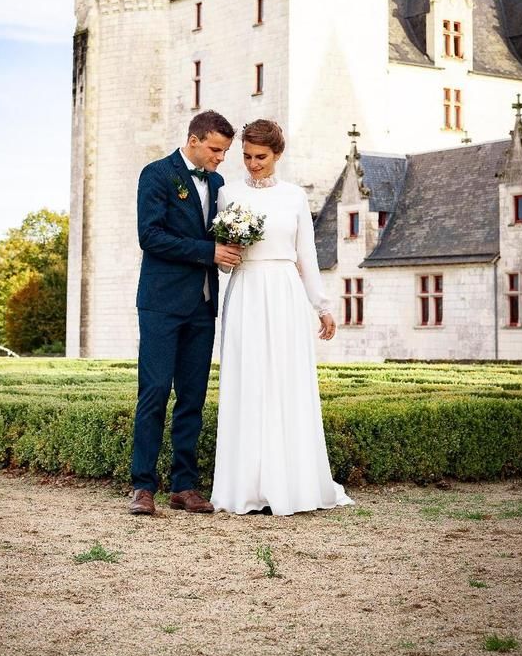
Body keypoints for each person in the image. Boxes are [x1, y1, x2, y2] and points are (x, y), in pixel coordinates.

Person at [211, 119, 354, 516]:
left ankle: (293, 483)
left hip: (285, 292)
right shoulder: (227, 194)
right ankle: (248, 487)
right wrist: (231, 251)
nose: (253, 164)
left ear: (277, 155)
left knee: (286, 383)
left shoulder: (293, 197)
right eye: (247, 156)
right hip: (246, 292)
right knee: (248, 381)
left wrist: (322, 306)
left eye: (261, 157)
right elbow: (224, 265)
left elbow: (306, 256)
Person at [130, 110, 241, 515]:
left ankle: (184, 486)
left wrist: (233, 249)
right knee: (155, 391)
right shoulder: (156, 174)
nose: (220, 157)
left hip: (202, 303)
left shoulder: (219, 183)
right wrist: (208, 251)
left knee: (192, 397)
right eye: (215, 149)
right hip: (161, 303)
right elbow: (150, 236)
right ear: (193, 140)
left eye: (225, 150)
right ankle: (143, 487)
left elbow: (219, 233)